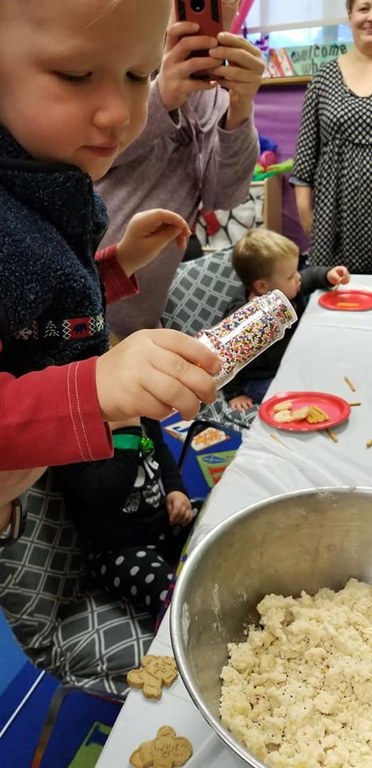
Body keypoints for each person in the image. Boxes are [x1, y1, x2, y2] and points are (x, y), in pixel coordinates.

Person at [0, 0, 222, 539]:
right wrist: (95, 386)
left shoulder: (46, 178)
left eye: (138, 75)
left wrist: (117, 264)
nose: (120, 112)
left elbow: (37, 316)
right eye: (76, 75)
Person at [96, 2, 264, 339]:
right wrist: (161, 97)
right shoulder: (117, 56)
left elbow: (224, 195)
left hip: (142, 319)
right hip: (79, 300)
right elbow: (88, 162)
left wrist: (241, 109)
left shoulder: (217, 94)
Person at [55, 417, 196, 619]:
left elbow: (161, 449)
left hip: (164, 522)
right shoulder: (71, 437)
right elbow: (109, 491)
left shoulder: (137, 409)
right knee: (173, 600)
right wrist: (127, 428)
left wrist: (176, 489)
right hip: (118, 550)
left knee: (212, 521)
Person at [222, 229, 350, 410]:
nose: (298, 277)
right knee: (298, 398)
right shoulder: (246, 320)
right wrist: (234, 394)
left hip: (291, 361)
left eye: (296, 271)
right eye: (291, 276)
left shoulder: (286, 287)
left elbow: (309, 277)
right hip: (259, 379)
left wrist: (327, 275)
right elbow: (226, 358)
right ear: (263, 286)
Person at [290, 0, 372, 274]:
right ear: (350, 15)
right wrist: (306, 212)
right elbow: (305, 154)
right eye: (364, 8)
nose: (370, 17)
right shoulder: (324, 79)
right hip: (333, 219)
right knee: (334, 302)